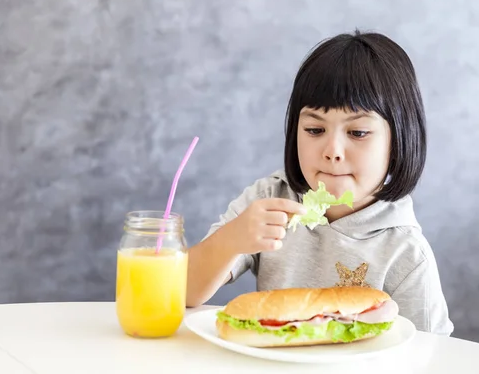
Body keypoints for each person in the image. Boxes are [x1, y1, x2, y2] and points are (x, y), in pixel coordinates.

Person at [185, 29, 454, 336]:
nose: (332, 152)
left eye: (358, 133)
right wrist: (231, 240)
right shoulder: (270, 198)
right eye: (314, 130)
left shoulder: (405, 252)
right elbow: (184, 292)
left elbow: (432, 354)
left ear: (398, 141)